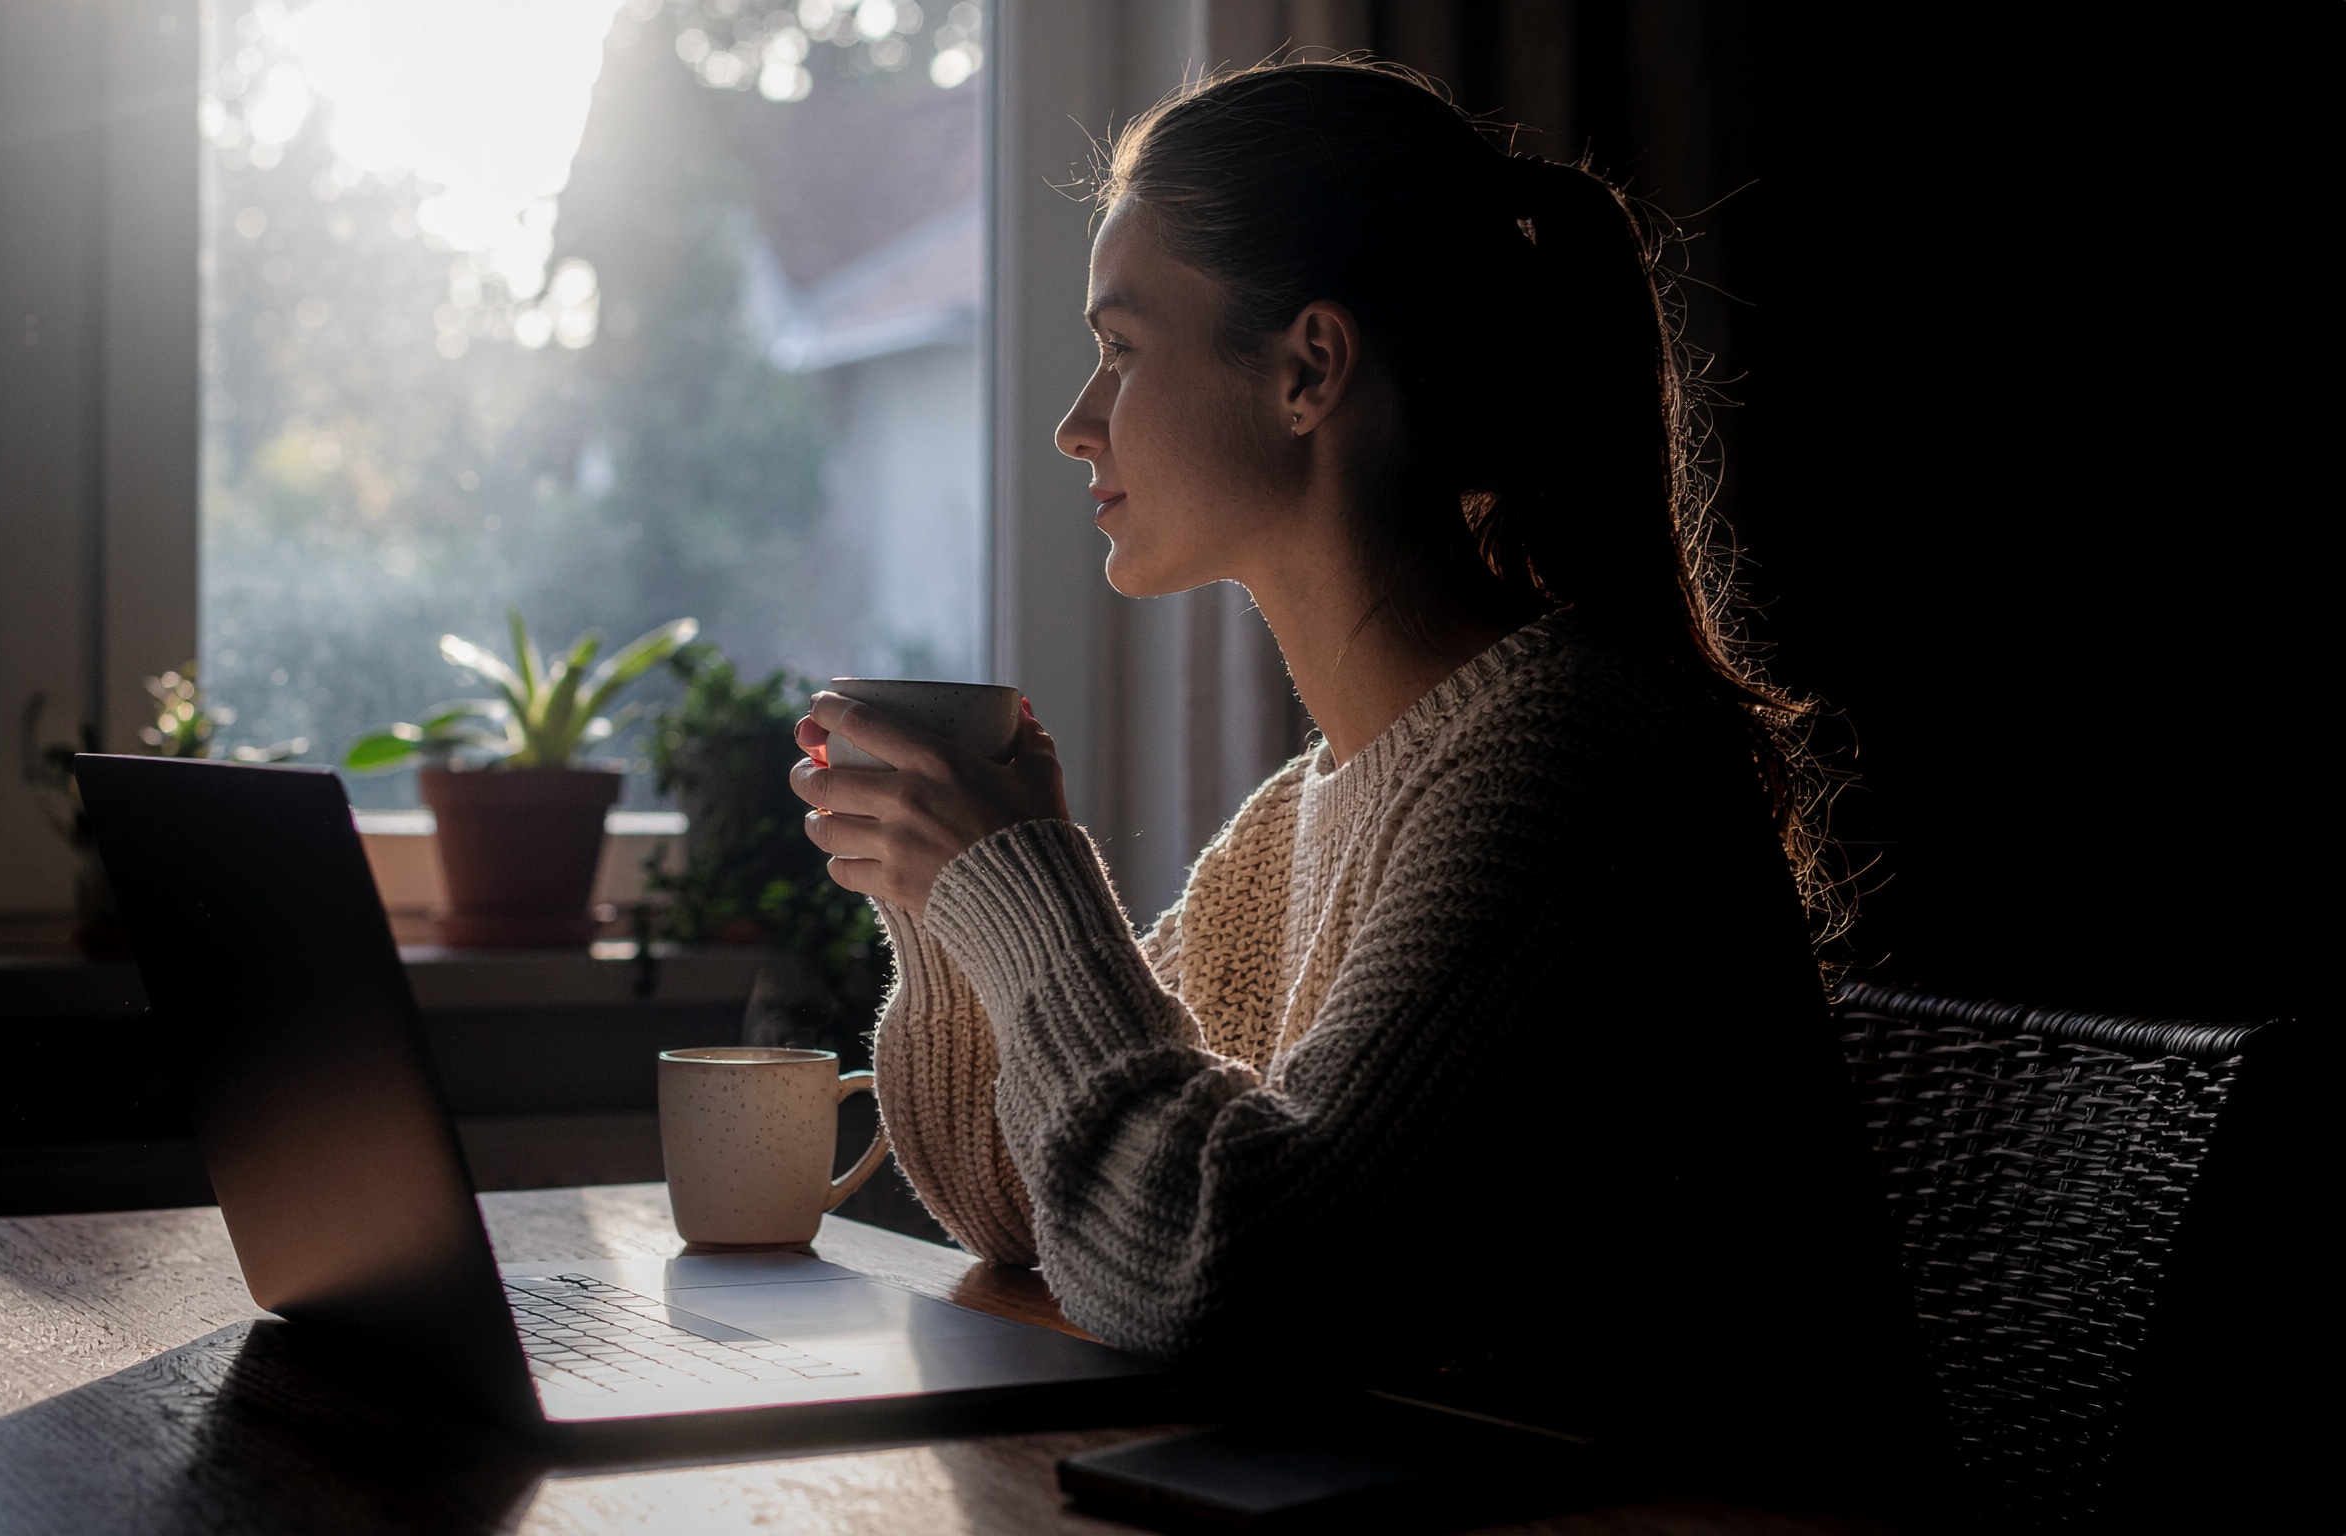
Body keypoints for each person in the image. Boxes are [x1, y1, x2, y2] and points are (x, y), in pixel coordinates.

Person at [789, 60, 1930, 1501]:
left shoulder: (1571, 759)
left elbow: (1235, 1274)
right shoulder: (1306, 814)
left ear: (1308, 369)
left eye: (1124, 350)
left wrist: (1025, 894)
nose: (1079, 423)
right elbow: (1027, 1213)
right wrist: (947, 895)